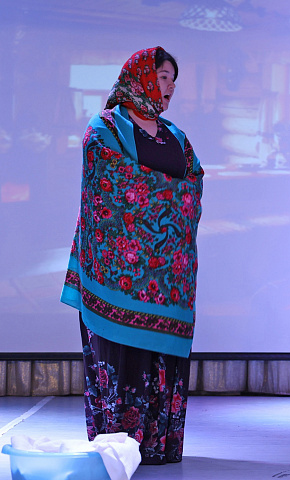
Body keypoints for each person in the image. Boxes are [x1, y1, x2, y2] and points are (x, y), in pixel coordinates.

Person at [61, 46, 204, 465]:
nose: (170, 86)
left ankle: (157, 445)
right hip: (115, 275)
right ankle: (118, 447)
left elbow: (194, 184)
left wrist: (168, 197)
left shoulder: (176, 136)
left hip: (169, 280)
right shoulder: (104, 128)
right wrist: (170, 195)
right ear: (140, 77)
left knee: (163, 361)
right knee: (121, 357)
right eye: (163, 77)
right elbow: (114, 182)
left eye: (173, 80)